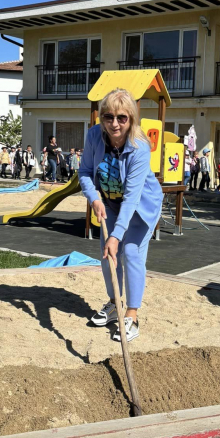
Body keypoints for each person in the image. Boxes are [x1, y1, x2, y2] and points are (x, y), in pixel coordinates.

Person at [79, 88, 163, 342]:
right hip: (109, 203)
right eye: (108, 117)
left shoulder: (140, 147)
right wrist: (94, 198)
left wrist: (117, 237)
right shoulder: (94, 136)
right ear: (101, 118)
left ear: (131, 119)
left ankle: (132, 315)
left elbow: (132, 198)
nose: (115, 124)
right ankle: (115, 303)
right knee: (108, 255)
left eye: (122, 118)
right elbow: (84, 172)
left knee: (131, 252)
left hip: (140, 207)